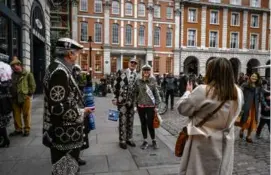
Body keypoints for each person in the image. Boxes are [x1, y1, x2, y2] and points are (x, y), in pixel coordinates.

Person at [176, 57, 243, 175]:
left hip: (202, 141)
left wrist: (187, 92)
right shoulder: (238, 92)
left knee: (199, 170)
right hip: (225, 140)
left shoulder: (204, 90)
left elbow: (182, 108)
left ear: (211, 72)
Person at [42, 38, 92, 174]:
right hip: (64, 133)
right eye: (76, 54)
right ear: (70, 54)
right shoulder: (60, 72)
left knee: (64, 169)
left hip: (61, 132)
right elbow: (58, 108)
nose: (77, 57)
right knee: (66, 170)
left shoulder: (55, 67)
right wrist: (82, 112)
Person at [112, 58, 138, 149]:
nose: (133, 64)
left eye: (135, 63)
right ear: (128, 63)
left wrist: (135, 104)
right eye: (132, 62)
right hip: (121, 101)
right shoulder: (121, 72)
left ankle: (129, 139)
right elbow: (115, 85)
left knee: (130, 121)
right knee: (122, 121)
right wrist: (114, 97)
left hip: (132, 102)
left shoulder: (136, 75)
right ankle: (122, 140)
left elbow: (137, 91)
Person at [134, 65, 161, 149]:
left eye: (148, 70)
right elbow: (135, 93)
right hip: (141, 105)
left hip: (150, 106)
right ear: (142, 71)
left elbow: (156, 93)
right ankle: (145, 140)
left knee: (150, 124)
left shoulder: (153, 80)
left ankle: (153, 140)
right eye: (144, 70)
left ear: (150, 71)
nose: (146, 71)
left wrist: (156, 105)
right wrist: (135, 105)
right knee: (143, 123)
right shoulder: (138, 81)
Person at [9, 56, 36, 137]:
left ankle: (27, 129)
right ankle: (18, 129)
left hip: (24, 97)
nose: (14, 68)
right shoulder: (13, 75)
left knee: (26, 114)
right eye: (13, 67)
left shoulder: (27, 74)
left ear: (19, 65)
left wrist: (28, 94)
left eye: (15, 66)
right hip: (15, 97)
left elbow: (33, 85)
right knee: (16, 115)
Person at [239, 72, 262, 143]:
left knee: (252, 121)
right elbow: (240, 92)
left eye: (255, 77)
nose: (254, 78)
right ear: (250, 77)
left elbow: (261, 96)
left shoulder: (259, 86)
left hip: (255, 107)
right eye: (253, 76)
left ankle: (248, 136)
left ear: (257, 78)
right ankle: (242, 130)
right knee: (246, 119)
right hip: (246, 105)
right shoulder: (245, 84)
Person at [0, 60, 13, 147]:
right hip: (5, 100)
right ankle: (4, 138)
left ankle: (4, 139)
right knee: (2, 120)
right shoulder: (6, 67)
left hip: (2, 100)